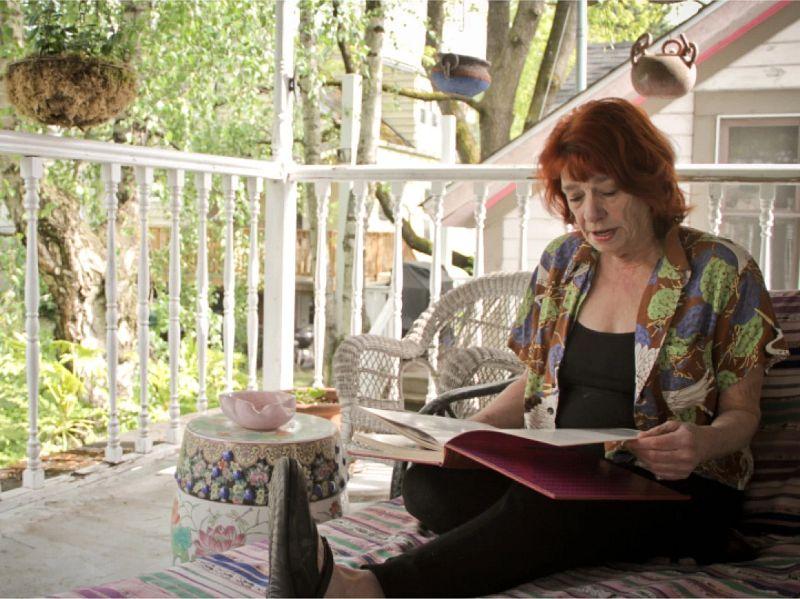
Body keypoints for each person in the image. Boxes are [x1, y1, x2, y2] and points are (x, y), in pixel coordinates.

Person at [266, 97, 790, 598]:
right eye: (576, 196)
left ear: (647, 183)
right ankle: (561, 535)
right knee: (432, 484)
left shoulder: (722, 270)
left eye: (606, 191)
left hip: (676, 487)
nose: (591, 214)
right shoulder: (565, 261)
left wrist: (700, 442)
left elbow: (744, 414)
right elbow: (538, 381)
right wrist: (472, 435)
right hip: (566, 469)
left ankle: (366, 588)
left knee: (547, 508)